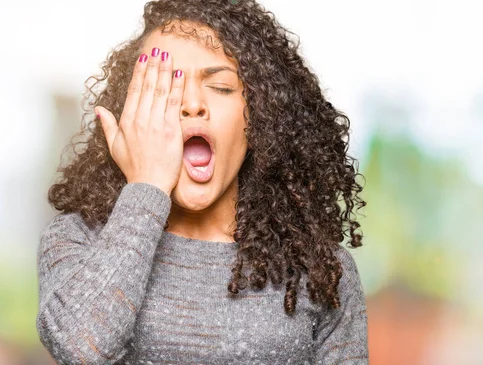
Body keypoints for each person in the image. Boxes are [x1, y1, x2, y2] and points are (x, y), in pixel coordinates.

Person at [35, 0, 369, 363]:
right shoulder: (77, 240)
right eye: (164, 89)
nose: (192, 103)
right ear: (132, 115)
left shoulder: (319, 268)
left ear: (259, 118)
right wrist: (146, 186)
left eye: (222, 87)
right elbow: (80, 348)